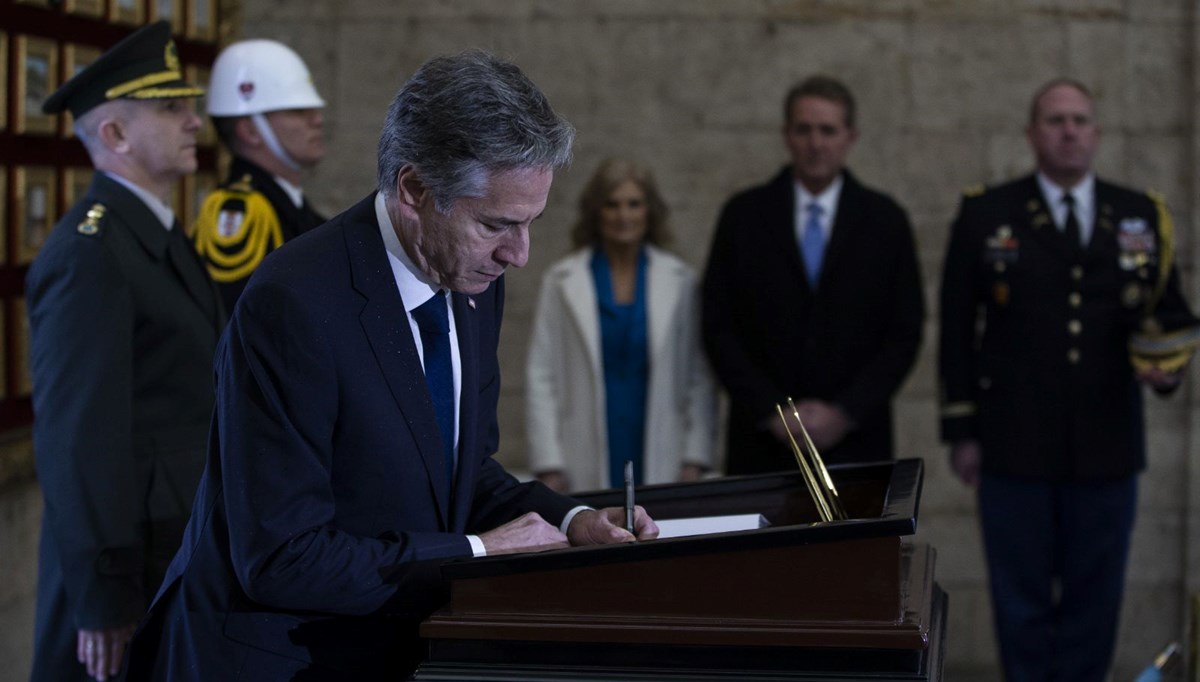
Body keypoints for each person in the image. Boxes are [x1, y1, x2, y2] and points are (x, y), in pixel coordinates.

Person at [123, 50, 659, 680]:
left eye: (532, 223)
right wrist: (479, 551)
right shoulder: (293, 304)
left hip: (398, 644)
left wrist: (571, 520)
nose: (520, 253)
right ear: (413, 190)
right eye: (497, 224)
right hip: (277, 656)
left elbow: (457, 473)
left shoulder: (471, 273)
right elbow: (280, 558)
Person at [938, 78, 1199, 681]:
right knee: (1019, 603)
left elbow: (1173, 315)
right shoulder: (987, 213)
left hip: (1107, 448)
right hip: (1013, 448)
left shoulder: (1140, 214)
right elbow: (957, 329)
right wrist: (962, 431)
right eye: (1055, 120)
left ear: (1097, 134)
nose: (1069, 130)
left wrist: (1165, 371)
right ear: (1032, 134)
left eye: (1080, 119)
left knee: (1094, 603)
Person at [26, 21, 223, 682]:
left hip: (173, 546)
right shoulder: (92, 254)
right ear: (114, 135)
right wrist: (104, 593)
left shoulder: (155, 236)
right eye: (172, 109)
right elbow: (78, 440)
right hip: (128, 573)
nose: (194, 122)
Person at [701, 75, 924, 476]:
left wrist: (846, 412)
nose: (815, 143)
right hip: (763, 444)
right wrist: (773, 412)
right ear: (787, 135)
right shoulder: (744, 216)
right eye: (804, 129)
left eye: (828, 130)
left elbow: (903, 331)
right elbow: (718, 325)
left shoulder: (884, 220)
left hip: (857, 445)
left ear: (850, 137)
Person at [526, 158, 717, 492]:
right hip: (579, 451)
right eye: (612, 205)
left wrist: (695, 456)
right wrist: (548, 462)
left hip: (662, 447)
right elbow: (541, 374)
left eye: (634, 204)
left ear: (649, 210)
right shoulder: (561, 281)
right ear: (596, 212)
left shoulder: (680, 280)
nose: (623, 216)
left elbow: (698, 376)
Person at [191, 39, 327, 312]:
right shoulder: (244, 212)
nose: (317, 120)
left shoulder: (290, 205)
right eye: (298, 111)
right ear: (250, 131)